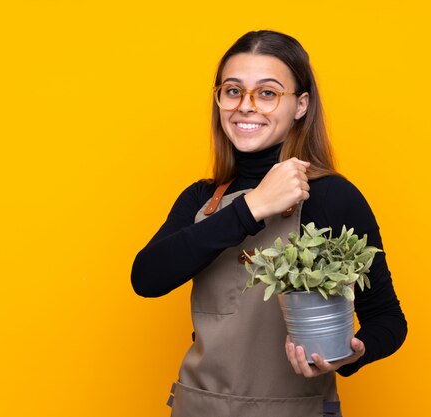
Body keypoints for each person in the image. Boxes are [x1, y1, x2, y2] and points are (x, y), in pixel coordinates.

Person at [131, 30, 407, 417]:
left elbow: (388, 320)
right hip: (199, 407)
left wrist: (350, 355)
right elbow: (146, 278)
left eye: (267, 93)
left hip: (296, 408)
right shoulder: (201, 200)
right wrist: (253, 206)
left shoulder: (331, 198)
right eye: (232, 91)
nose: (245, 106)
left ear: (300, 105)